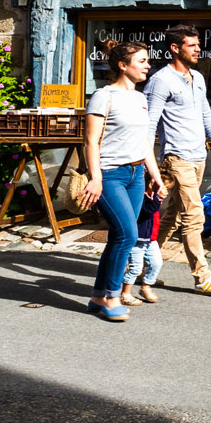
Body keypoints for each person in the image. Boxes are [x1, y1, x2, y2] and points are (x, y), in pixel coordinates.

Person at [144, 25, 211, 295]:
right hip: (175, 158)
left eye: (198, 44)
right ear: (175, 48)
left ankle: (142, 266)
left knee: (172, 217)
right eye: (192, 45)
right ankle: (202, 275)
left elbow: (207, 115)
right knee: (193, 216)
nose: (198, 49)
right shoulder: (160, 80)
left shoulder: (197, 77)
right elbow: (149, 126)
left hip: (198, 156)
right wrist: (150, 165)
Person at [76, 39, 165, 323]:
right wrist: (96, 178)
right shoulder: (104, 96)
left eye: (147, 61)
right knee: (127, 234)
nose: (148, 66)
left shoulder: (140, 99)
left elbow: (144, 143)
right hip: (111, 175)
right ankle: (113, 297)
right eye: (142, 61)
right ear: (123, 66)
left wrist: (155, 175)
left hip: (136, 174)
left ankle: (97, 296)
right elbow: (90, 141)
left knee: (118, 237)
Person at [121, 190, 162, 304]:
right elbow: (148, 210)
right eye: (164, 188)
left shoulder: (154, 199)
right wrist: (156, 199)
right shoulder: (142, 198)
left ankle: (146, 287)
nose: (166, 192)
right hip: (138, 240)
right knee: (135, 268)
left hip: (151, 239)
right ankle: (125, 294)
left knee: (156, 263)